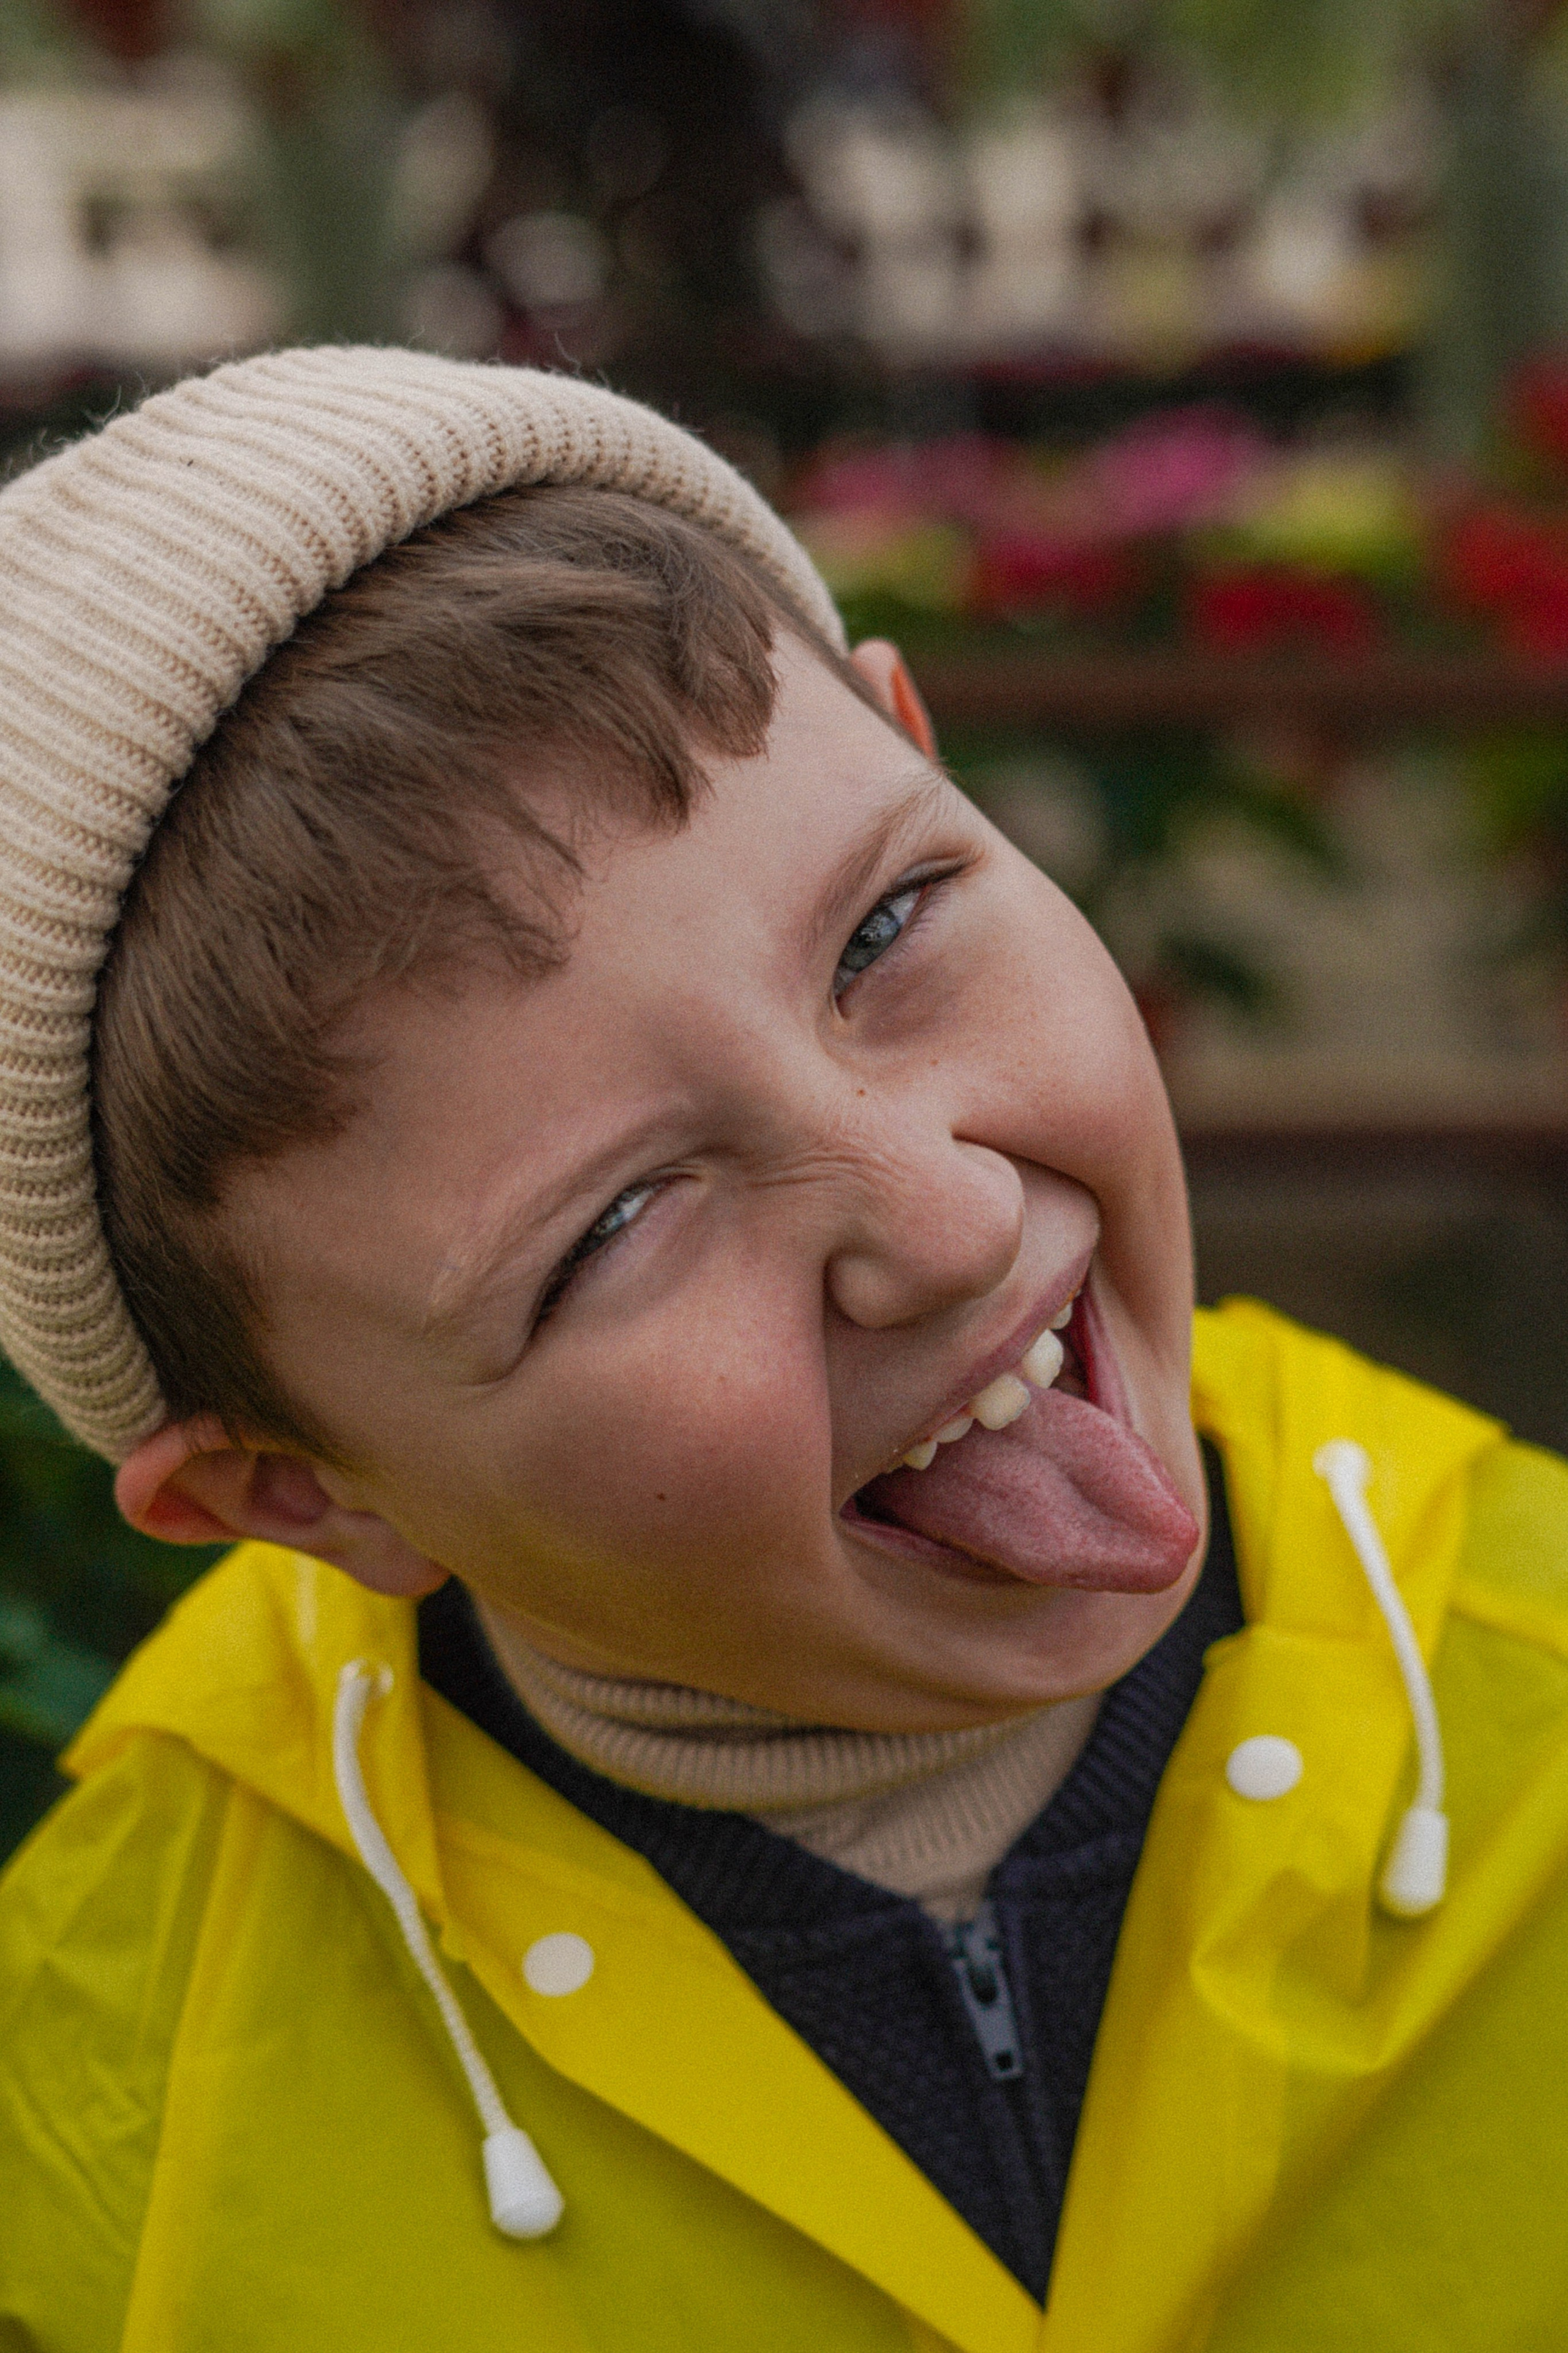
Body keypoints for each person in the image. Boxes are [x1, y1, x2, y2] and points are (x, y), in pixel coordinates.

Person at [0, 349, 1565, 2353]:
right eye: (619, 1225)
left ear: (927, 743)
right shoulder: (119, 2075)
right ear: (296, 1489)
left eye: (887, 928)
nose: (948, 1217)